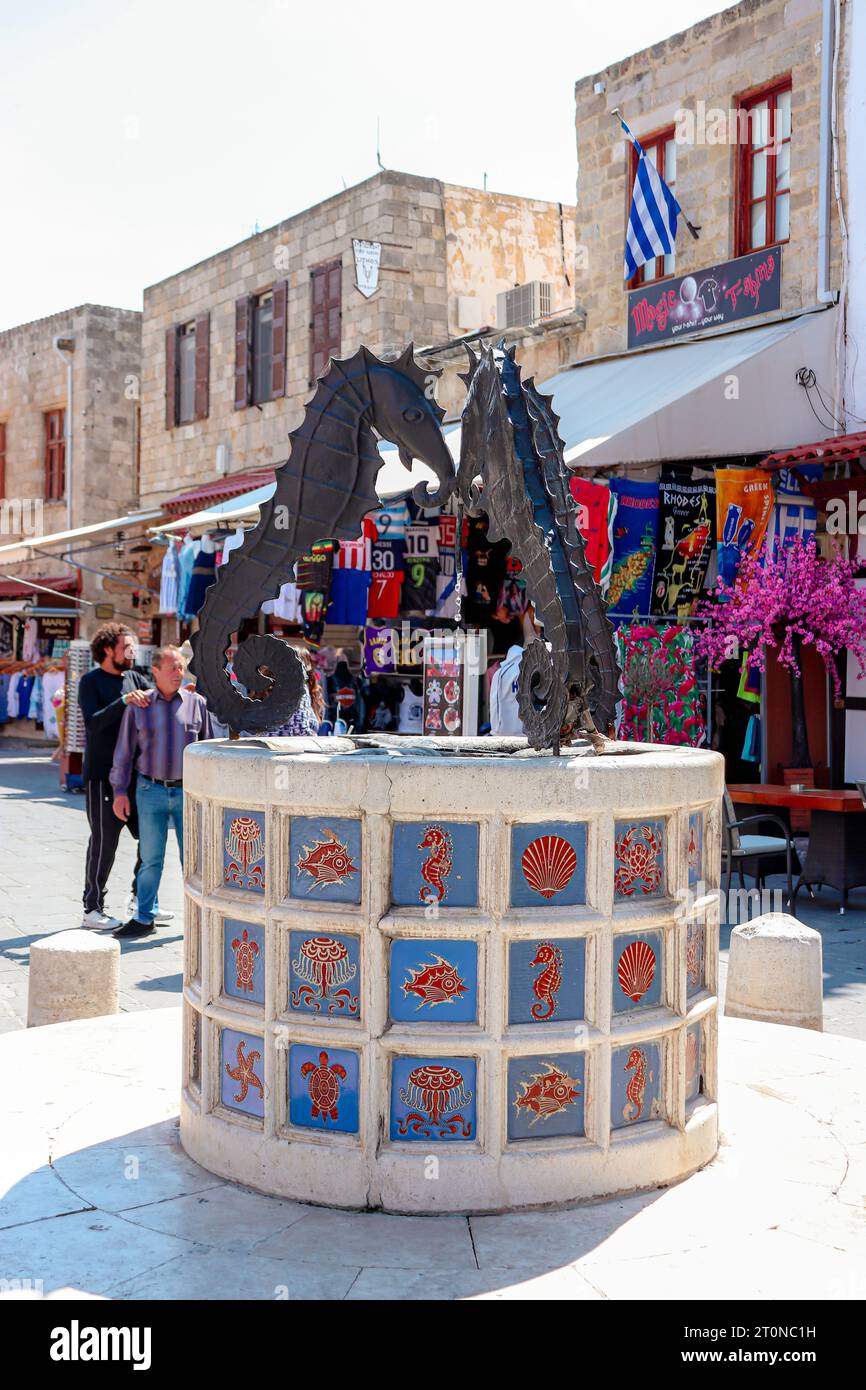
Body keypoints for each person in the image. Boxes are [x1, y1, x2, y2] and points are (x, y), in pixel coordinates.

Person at [110, 646, 213, 939]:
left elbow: (208, 751)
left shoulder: (197, 704)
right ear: (155, 672)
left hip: (188, 794)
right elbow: (124, 752)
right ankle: (144, 918)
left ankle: (198, 919)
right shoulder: (139, 706)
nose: (179, 673)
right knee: (150, 858)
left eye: (181, 668)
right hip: (149, 790)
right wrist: (119, 791)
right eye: (173, 668)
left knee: (192, 860)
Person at [78, 623, 154, 930]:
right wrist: (123, 702)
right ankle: (92, 908)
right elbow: (93, 723)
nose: (132, 652)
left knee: (150, 839)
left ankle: (139, 899)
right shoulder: (90, 681)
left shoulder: (136, 676)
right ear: (108, 650)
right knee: (104, 842)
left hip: (135, 776)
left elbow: (157, 697)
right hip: (102, 777)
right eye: (126, 647)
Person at [270, 647, 325, 736]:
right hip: (290, 747)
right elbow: (300, 728)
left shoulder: (273, 687)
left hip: (270, 746)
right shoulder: (297, 689)